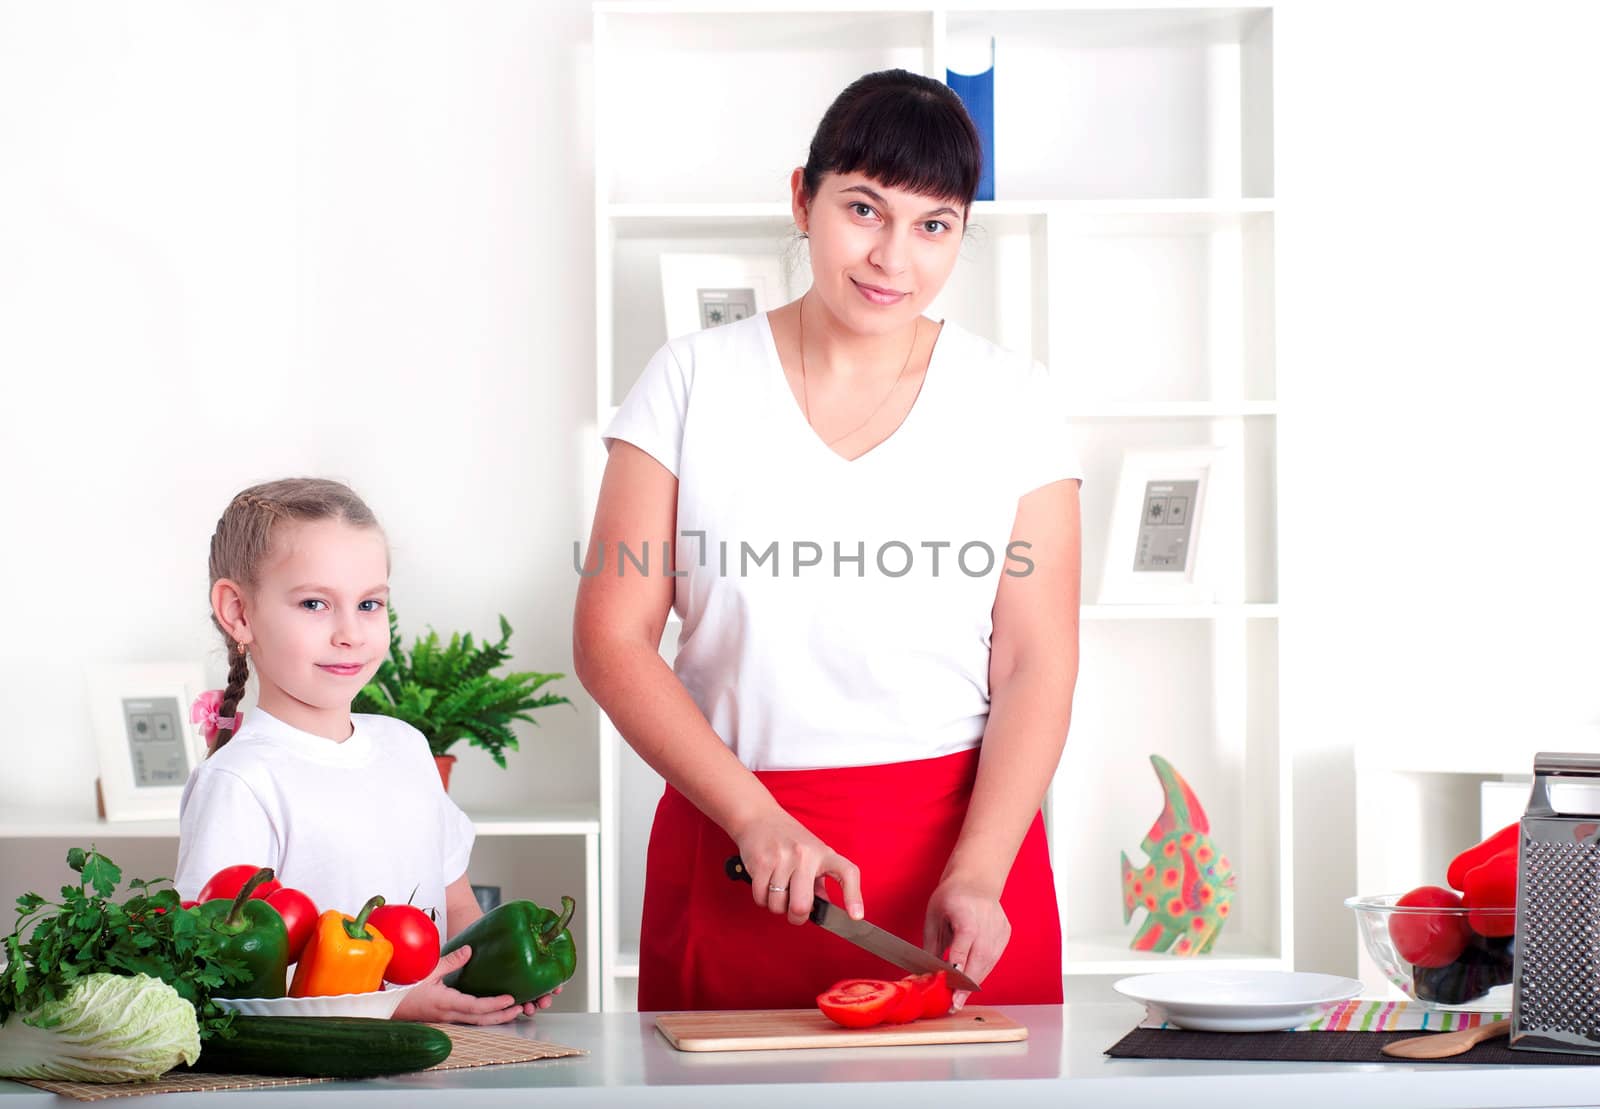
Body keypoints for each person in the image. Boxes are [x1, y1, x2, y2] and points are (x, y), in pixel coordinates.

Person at [574, 69, 1082, 1012]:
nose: (894, 255)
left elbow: (1036, 660)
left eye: (934, 224)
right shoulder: (690, 381)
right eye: (864, 208)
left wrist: (977, 871)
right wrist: (752, 815)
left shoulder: (1014, 398)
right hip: (736, 855)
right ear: (802, 198)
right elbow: (610, 636)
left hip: (960, 867)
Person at [174, 477, 558, 1023]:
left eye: (370, 604)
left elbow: (455, 906)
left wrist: (499, 978)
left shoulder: (406, 747)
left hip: (439, 1061)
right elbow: (219, 974)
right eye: (314, 603)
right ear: (237, 612)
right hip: (317, 1080)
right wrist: (393, 1005)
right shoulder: (240, 781)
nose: (350, 633)